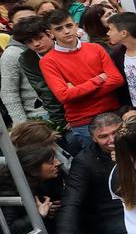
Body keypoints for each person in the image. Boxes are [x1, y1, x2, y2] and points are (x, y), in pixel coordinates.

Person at [41, 113, 129, 234]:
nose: (111, 140)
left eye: (116, 132)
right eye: (104, 136)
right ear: (94, 139)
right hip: (111, 218)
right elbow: (71, 201)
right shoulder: (84, 161)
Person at [39, 9, 125, 157]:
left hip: (112, 113)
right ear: (50, 33)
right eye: (59, 29)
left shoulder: (95, 48)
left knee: (128, 158)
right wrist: (98, 79)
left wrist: (78, 91)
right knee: (99, 167)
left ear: (76, 25)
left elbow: (117, 80)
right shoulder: (48, 61)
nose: (66, 31)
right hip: (83, 121)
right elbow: (64, 96)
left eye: (68, 25)